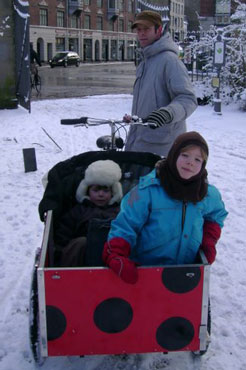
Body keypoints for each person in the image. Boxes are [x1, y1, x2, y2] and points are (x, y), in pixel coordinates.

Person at [103, 131, 228, 284]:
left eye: (198, 159)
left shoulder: (207, 194)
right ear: (174, 155)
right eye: (185, 155)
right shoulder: (147, 190)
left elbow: (215, 215)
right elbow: (126, 223)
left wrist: (208, 240)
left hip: (185, 270)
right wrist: (116, 253)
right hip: (145, 270)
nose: (190, 162)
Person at [124, 11, 198, 157]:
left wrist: (168, 113)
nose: (142, 34)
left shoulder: (170, 61)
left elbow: (188, 99)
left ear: (158, 30)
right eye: (139, 29)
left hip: (162, 148)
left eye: (146, 29)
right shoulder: (145, 61)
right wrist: (136, 118)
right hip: (139, 142)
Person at [55, 160, 123, 267]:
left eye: (105, 191)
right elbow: (63, 233)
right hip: (82, 257)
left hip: (113, 253)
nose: (101, 194)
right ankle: (70, 275)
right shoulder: (79, 211)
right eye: (96, 190)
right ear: (87, 191)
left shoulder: (119, 212)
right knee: (80, 242)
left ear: (113, 192)